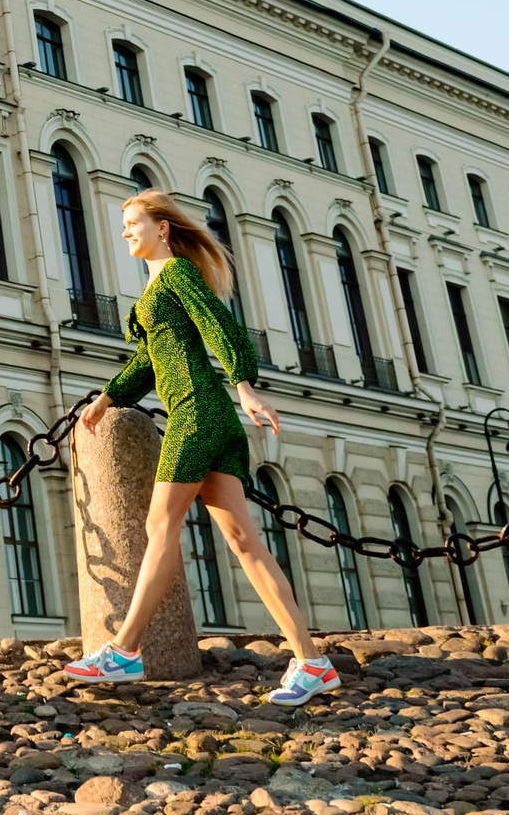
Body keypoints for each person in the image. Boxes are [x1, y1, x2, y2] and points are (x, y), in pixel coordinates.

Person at [60, 187, 340, 706]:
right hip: (212, 417)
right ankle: (313, 663)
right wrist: (107, 398)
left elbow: (220, 325)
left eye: (133, 223)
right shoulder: (155, 288)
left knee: (160, 527)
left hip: (197, 413)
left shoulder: (179, 275)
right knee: (243, 540)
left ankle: (123, 651)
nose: (125, 232)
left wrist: (246, 385)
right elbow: (150, 362)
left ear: (161, 229)